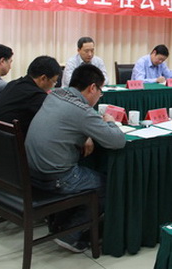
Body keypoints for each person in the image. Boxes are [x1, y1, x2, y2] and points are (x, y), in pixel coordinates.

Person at [26, 64, 125, 253]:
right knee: (108, 185)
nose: (100, 96)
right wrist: (111, 122)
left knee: (89, 173)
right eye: (100, 91)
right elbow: (117, 141)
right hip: (54, 178)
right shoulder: (82, 110)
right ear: (92, 88)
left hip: (31, 172)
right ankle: (70, 234)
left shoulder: (54, 95)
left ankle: (61, 225)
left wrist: (86, 134)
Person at [0, 56, 61, 136]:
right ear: (43, 78)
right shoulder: (36, 95)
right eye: (54, 82)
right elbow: (55, 120)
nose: (53, 86)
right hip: (12, 140)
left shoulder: (13, 84)